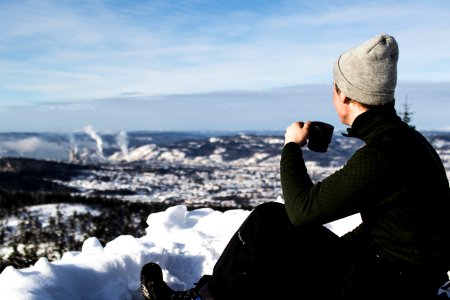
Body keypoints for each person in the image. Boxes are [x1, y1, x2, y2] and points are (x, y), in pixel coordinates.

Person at [140, 34, 450, 299]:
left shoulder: (382, 156)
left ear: (345, 95)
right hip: (406, 278)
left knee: (269, 219)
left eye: (335, 86)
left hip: (387, 287)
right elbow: (388, 228)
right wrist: (322, 252)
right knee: (287, 238)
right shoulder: (408, 143)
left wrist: (292, 146)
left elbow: (301, 211)